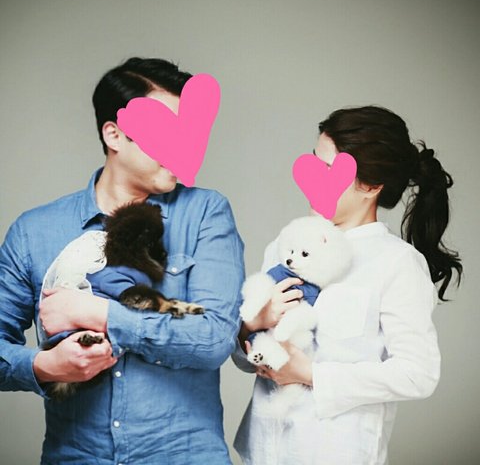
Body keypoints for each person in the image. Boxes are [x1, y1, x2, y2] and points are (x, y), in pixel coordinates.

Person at [0, 57, 245, 465]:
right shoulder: (33, 231)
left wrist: (101, 314)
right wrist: (45, 365)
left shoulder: (205, 213)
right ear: (114, 134)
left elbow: (215, 338)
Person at [233, 106, 462, 465]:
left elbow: (418, 374)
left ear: (370, 186)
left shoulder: (396, 262)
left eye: (327, 170)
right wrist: (251, 324)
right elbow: (244, 357)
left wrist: (311, 374)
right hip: (262, 449)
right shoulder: (285, 244)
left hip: (335, 453)